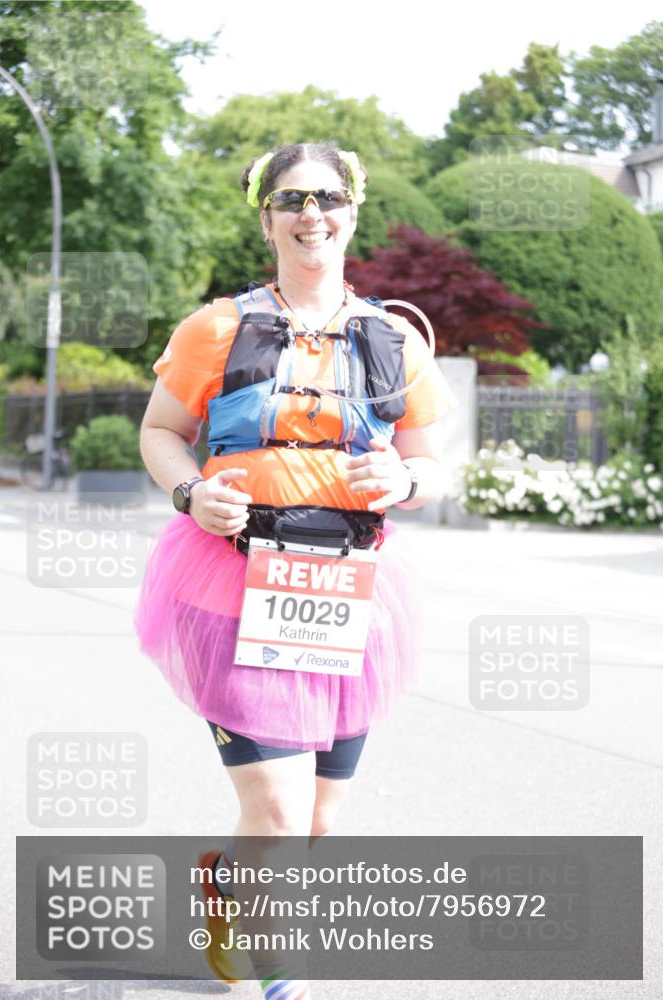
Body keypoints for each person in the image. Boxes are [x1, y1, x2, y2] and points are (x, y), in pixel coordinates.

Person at [134, 142, 459, 998]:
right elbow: (160, 432)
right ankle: (279, 975)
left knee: (314, 818)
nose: (310, 213)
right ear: (266, 214)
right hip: (230, 590)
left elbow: (433, 461)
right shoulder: (216, 328)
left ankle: (230, 885)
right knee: (276, 810)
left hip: (350, 595)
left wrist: (407, 478)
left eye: (326, 197)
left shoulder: (393, 337)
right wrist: (190, 492)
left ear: (352, 211)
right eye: (290, 199)